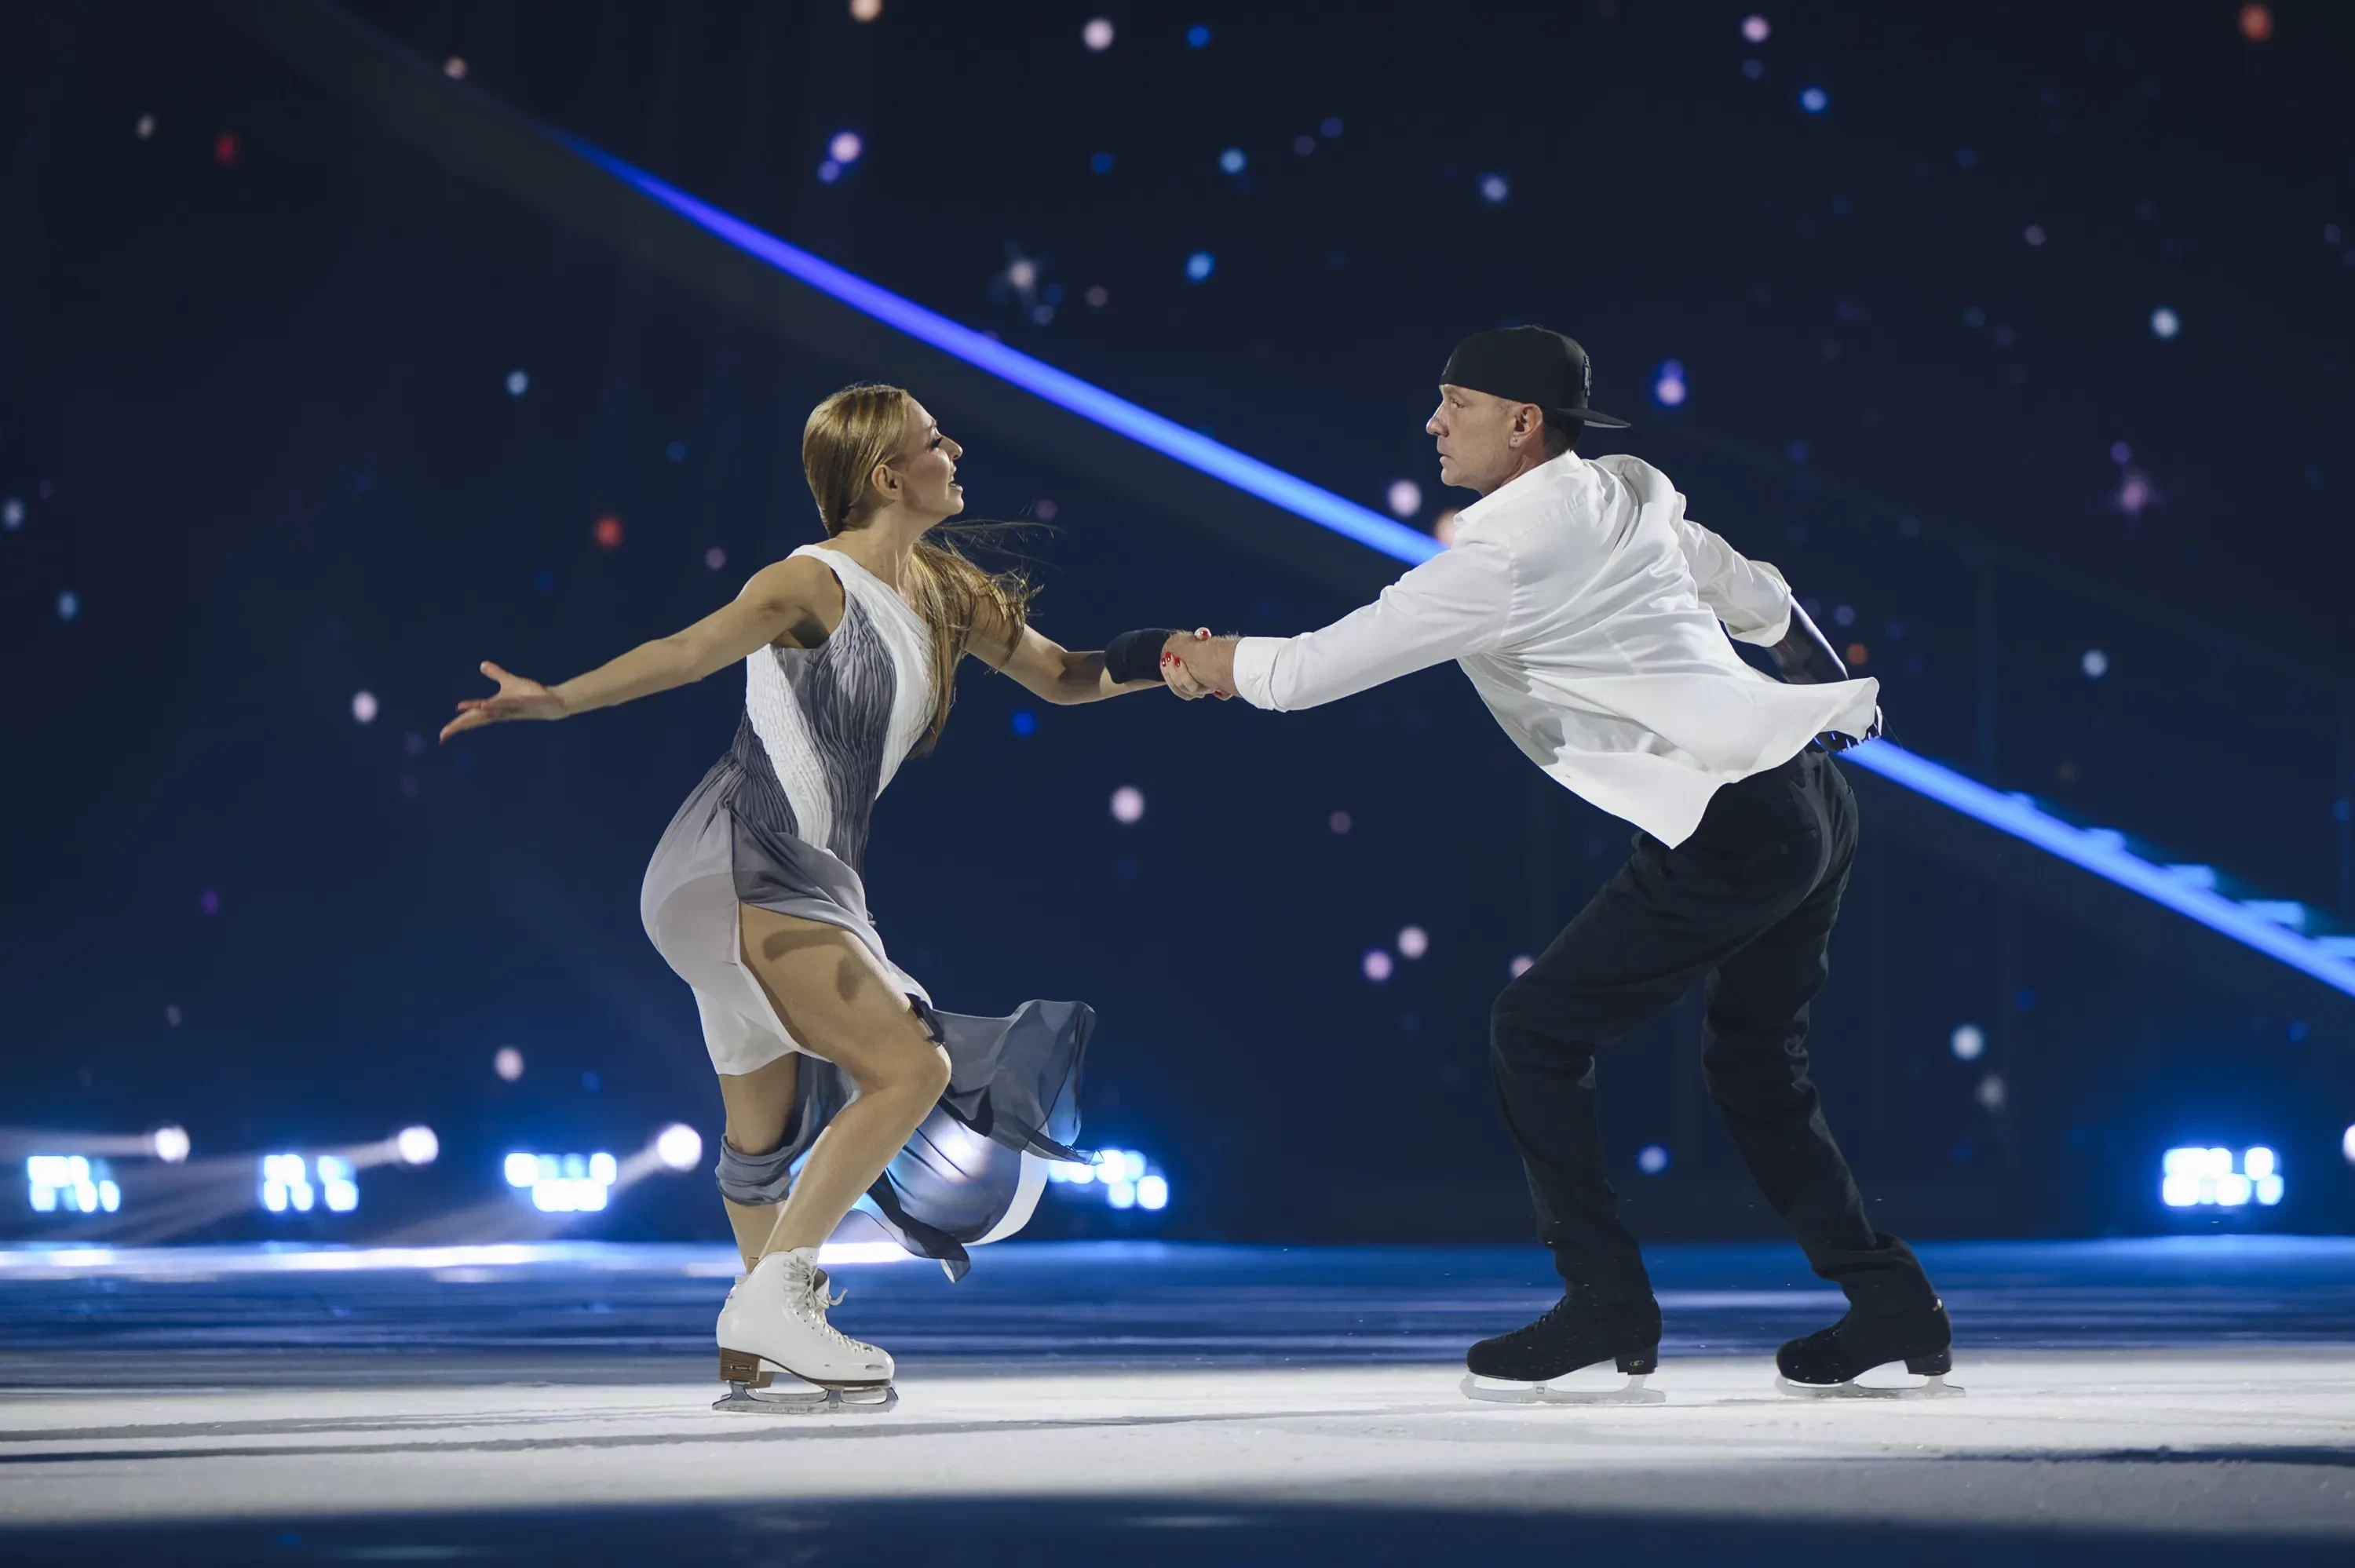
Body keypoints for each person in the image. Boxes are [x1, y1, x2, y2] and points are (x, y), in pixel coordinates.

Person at [1150, 328, 1953, 1402]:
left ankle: (1607, 1300)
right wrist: (1827, 706)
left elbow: (1302, 675)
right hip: (1807, 795)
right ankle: (1891, 1301)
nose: (1434, 423)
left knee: (1535, 1031)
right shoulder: (1627, 490)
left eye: (1456, 404)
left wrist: (1201, 658)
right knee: (1757, 1065)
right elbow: (1760, 595)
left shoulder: (1502, 560)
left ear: (1523, 422)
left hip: (1734, 823)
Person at [440, 382, 1204, 1412]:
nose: (955, 450)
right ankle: (779, 1299)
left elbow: (1065, 673)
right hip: (742, 860)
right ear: (888, 476)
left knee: (763, 1131)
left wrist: (1166, 659)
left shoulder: (948, 591)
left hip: (787, 874)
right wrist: (557, 699)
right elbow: (689, 651)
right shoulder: (810, 581)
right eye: (935, 441)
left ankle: (755, 1337)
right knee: (911, 1065)